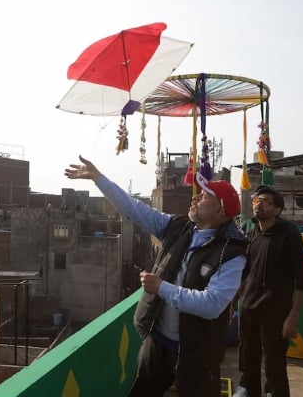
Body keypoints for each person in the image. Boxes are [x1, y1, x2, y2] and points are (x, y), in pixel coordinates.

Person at [65, 155, 246, 397]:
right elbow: (134, 209)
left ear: (219, 210)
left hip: (197, 354)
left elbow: (212, 305)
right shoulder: (178, 227)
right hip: (158, 342)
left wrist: (162, 287)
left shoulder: (232, 253)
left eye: (203, 197)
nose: (195, 198)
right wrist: (99, 178)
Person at [232, 186, 303, 397]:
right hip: (248, 309)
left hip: (275, 312)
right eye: (257, 200)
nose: (259, 204)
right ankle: (249, 389)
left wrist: (293, 316)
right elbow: (243, 271)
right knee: (248, 359)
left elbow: (302, 277)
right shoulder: (250, 232)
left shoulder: (288, 234)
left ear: (277, 210)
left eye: (266, 202)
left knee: (275, 367)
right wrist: (232, 303)